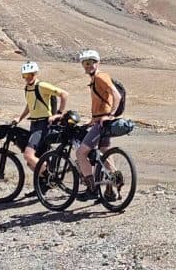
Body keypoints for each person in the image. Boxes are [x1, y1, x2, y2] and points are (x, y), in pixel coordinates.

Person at [76, 49, 120, 201]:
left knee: (80, 153)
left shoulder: (100, 77)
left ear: (97, 63)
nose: (88, 66)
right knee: (105, 156)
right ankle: (112, 191)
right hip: (99, 121)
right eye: (85, 63)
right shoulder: (96, 79)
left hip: (102, 123)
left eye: (91, 62)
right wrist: (91, 121)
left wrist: (111, 115)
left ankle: (92, 189)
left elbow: (116, 95)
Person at [11, 61, 68, 174]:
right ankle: (42, 186)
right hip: (34, 124)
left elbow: (64, 94)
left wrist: (59, 114)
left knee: (28, 155)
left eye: (31, 74)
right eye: (25, 75)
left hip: (44, 125)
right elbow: (29, 106)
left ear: (36, 74)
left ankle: (49, 175)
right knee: (32, 161)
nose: (28, 78)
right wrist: (19, 118)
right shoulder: (27, 88)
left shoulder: (41, 86)